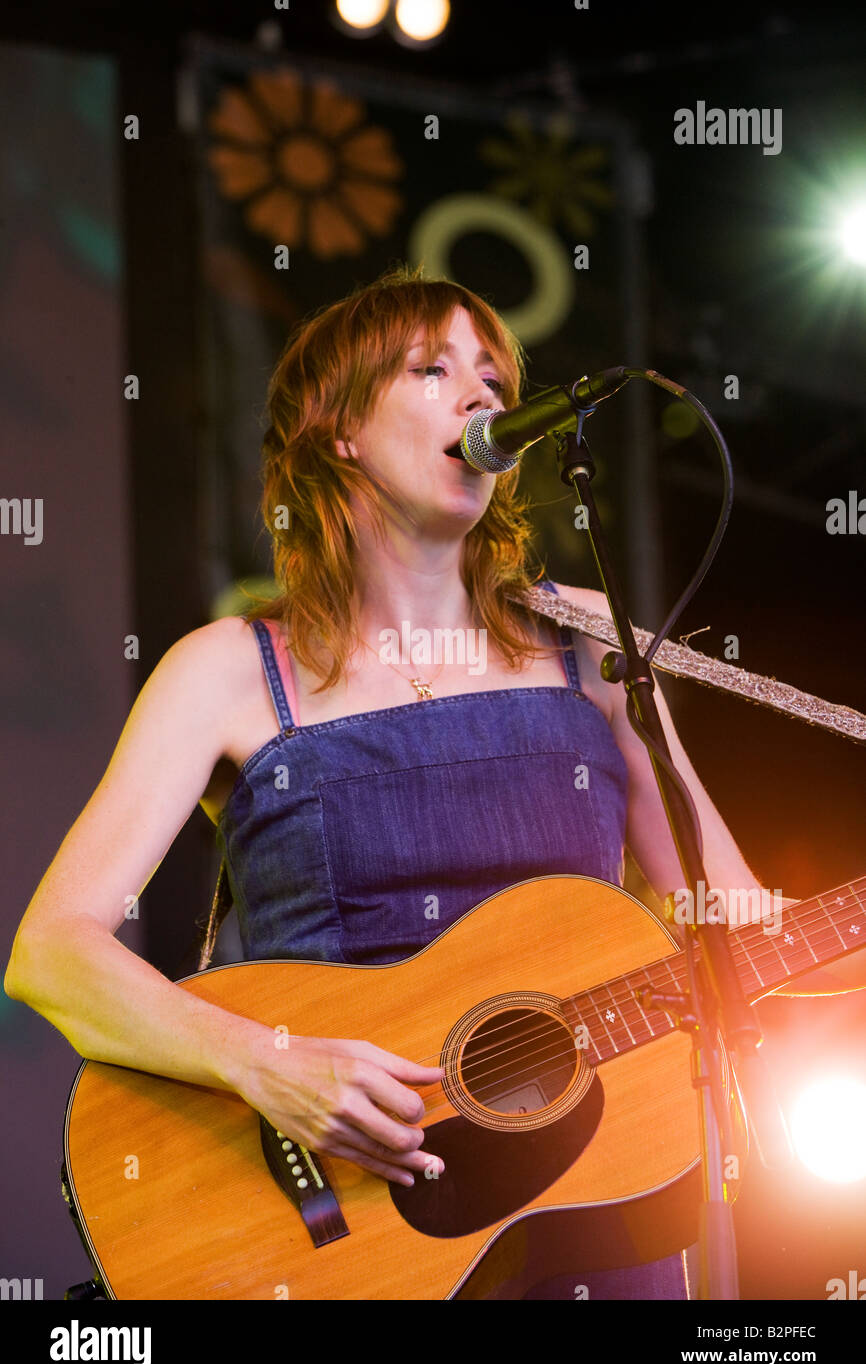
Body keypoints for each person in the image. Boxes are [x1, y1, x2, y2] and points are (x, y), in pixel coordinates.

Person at [6, 265, 859, 1301]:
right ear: (337, 433)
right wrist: (266, 1063)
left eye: (495, 383)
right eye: (431, 368)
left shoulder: (587, 640)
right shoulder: (231, 668)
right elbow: (52, 951)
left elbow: (737, 927)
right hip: (338, 1233)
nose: (481, 401)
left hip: (588, 1208)